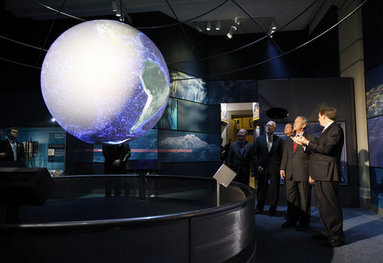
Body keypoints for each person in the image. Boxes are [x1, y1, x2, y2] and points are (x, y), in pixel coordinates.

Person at [292, 107, 345, 247]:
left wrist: (307, 143)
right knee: (322, 206)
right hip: (321, 173)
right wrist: (304, 144)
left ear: (324, 116)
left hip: (328, 173)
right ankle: (327, 231)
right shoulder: (326, 130)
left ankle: (337, 237)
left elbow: (326, 149)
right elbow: (319, 149)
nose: (318, 118)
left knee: (330, 206)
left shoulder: (336, 130)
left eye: (319, 116)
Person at [280, 116, 315, 231]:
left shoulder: (310, 138)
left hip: (304, 173)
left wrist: (312, 174)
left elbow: (313, 157)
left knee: (304, 199)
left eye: (297, 122)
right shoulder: (290, 139)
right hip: (290, 173)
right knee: (291, 198)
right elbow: (285, 155)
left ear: (304, 125)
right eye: (294, 122)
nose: (294, 124)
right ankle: (291, 220)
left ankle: (304, 222)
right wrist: (282, 168)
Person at [254, 121, 283, 216]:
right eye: (267, 125)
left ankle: (272, 209)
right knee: (261, 190)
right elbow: (255, 154)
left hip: (275, 169)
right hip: (262, 169)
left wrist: (281, 168)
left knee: (275, 190)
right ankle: (259, 208)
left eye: (271, 126)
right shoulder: (259, 139)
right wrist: (257, 165)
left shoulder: (279, 140)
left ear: (274, 128)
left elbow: (282, 156)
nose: (268, 127)